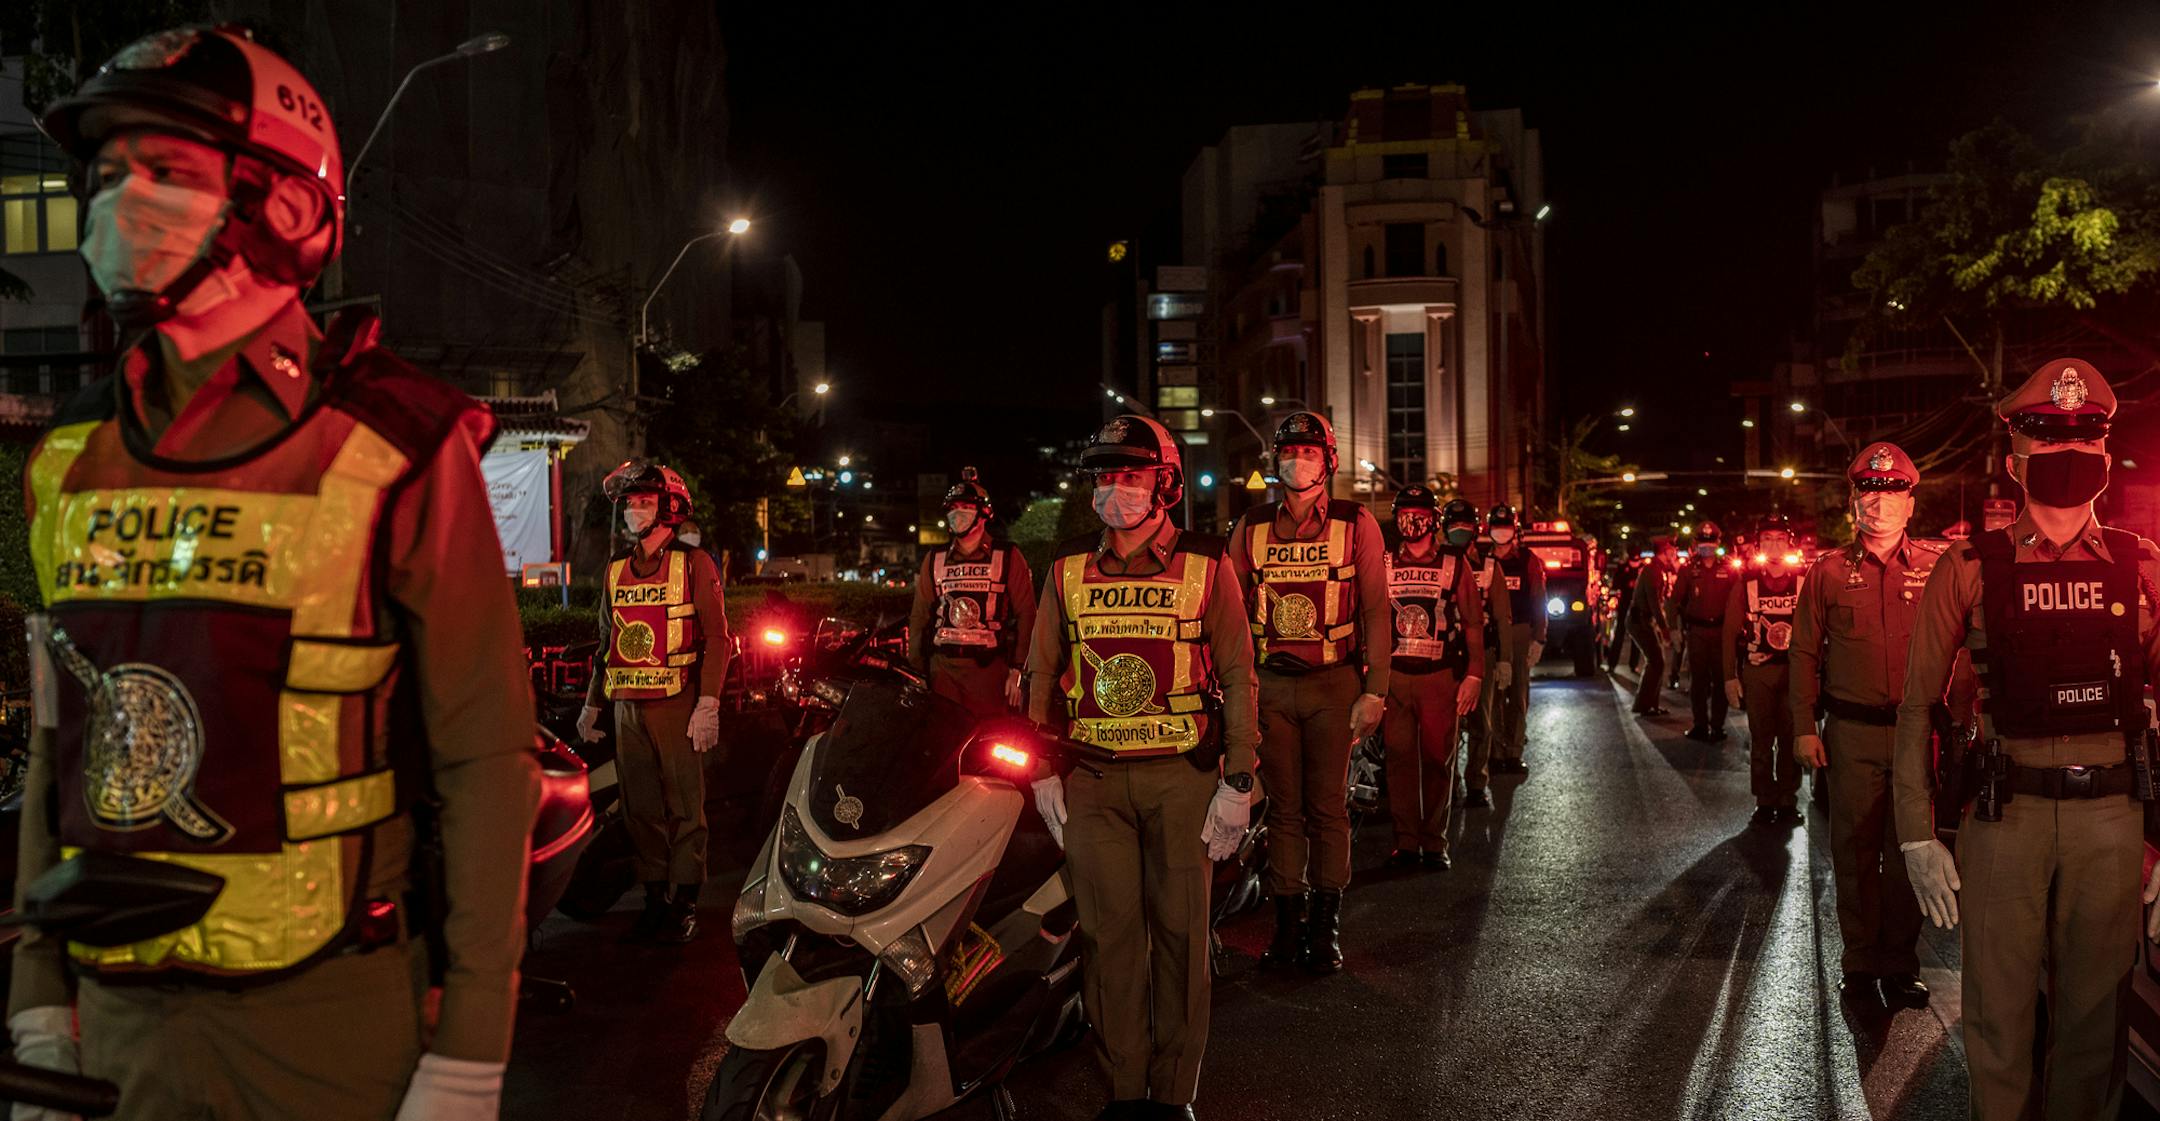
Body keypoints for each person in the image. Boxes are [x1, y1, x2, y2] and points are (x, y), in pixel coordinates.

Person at [12, 25, 540, 1121]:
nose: (120, 203)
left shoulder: (393, 442)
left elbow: (486, 757)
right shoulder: (71, 454)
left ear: (289, 208)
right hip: (115, 1024)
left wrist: (470, 1047)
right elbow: (63, 740)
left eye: (166, 171)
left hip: (328, 1024)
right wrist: (37, 1001)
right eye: (106, 174)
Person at [1896, 358, 2160, 1120]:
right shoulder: (1969, 567)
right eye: (2047, 437)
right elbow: (1918, 707)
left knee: (2094, 1032)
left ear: (2104, 454)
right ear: (2015, 458)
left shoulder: (2143, 567)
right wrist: (1916, 835)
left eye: (2083, 436)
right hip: (2003, 818)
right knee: (1997, 1023)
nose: (2066, 452)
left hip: (2111, 824)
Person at [1024, 413, 1258, 1121]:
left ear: (1166, 484)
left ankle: (1173, 1093)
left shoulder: (1206, 563)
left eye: (1131, 474)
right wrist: (1040, 766)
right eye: (1104, 475)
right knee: (1108, 940)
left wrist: (1239, 779)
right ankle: (1127, 1091)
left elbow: (1240, 674)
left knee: (1182, 938)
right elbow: (1042, 670)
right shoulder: (1067, 566)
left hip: (1181, 779)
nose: (1114, 489)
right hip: (1092, 782)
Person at [1789, 441, 1952, 1008]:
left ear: (1911, 504)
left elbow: (1961, 651)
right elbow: (1804, 653)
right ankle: (1858, 962)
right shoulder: (1828, 572)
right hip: (1852, 732)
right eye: (1868, 494)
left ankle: (1900, 963)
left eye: (1891, 494)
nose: (1879, 505)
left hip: (1917, 735)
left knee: (1911, 848)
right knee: (1854, 850)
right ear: (1853, 503)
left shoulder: (1938, 568)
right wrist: (1804, 725)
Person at [1228, 410, 1388, 974]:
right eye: (1290, 453)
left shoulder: (1356, 522)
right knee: (1283, 810)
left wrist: (1376, 690)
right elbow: (1228, 614)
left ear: (1329, 462)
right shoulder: (1250, 526)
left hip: (1333, 684)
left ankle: (1325, 928)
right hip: (1270, 685)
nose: (1298, 462)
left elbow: (1376, 610)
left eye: (1309, 453)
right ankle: (1287, 926)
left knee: (1327, 807)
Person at [577, 459, 731, 944]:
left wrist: (708, 702)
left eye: (643, 502)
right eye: (630, 503)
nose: (633, 511)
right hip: (627, 705)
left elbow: (718, 639)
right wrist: (592, 704)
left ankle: (684, 902)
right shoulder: (616, 569)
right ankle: (654, 900)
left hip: (676, 703)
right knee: (639, 809)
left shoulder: (694, 563)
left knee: (683, 806)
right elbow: (606, 643)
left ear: (669, 509)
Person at [1379, 485, 1485, 870]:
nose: (1412, 521)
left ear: (1434, 520)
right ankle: (1406, 842)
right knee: (1399, 761)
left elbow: (1473, 621)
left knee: (1439, 759)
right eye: (1405, 514)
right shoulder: (1383, 561)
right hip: (1395, 676)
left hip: (1440, 677)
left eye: (1420, 514)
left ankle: (1435, 842)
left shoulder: (1454, 563)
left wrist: (1475, 674)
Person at [907, 466, 1036, 718]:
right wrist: (916, 670)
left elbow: (1027, 614)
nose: (957, 514)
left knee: (989, 736)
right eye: (953, 508)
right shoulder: (935, 559)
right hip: (942, 671)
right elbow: (920, 616)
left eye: (965, 507)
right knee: (944, 735)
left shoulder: (1007, 556)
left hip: (990, 673)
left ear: (984, 513)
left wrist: (1018, 670)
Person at [1722, 516, 1804, 827]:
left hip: (1794, 673)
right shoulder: (1747, 583)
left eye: (1780, 539)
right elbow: (1730, 632)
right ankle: (1764, 799)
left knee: (1791, 737)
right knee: (1761, 738)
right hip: (1759, 673)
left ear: (1789, 544)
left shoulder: (1804, 581)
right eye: (1767, 539)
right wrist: (1730, 677)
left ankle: (1788, 799)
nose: (1774, 546)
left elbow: (1820, 630)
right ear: (1758, 546)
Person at [1469, 503, 1544, 778]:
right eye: (1496, 527)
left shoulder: (1527, 560)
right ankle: (1495, 753)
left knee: (1518, 693)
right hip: (1491, 632)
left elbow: (1539, 600)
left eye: (1506, 527)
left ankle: (1513, 752)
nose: (1501, 532)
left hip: (1519, 631)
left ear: (1515, 530)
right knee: (1492, 697)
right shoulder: (1482, 559)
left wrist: (1539, 638)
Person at [1453, 500, 1513, 806]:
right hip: (1446, 654)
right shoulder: (1438, 562)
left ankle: (1476, 783)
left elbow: (1502, 617)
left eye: (1464, 525)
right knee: (1448, 726)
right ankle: (1448, 785)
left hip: (1482, 651)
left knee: (1481, 723)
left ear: (1476, 530)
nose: (1459, 531)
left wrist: (1505, 659)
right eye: (1453, 525)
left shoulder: (1490, 566)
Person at [1670, 521, 1738, 742]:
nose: (1707, 547)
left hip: (1722, 632)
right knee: (1698, 681)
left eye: (1711, 542)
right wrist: (1673, 629)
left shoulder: (1729, 568)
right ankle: (1700, 724)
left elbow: (1740, 601)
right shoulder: (1688, 569)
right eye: (1702, 542)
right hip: (1697, 632)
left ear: (1718, 543)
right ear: (1696, 544)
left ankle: (1717, 726)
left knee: (1720, 680)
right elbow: (1674, 601)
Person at [1628, 538, 1678, 715]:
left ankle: (1651, 705)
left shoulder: (1658, 569)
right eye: (1672, 549)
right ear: (1665, 551)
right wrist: (1664, 628)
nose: (1675, 552)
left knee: (1658, 662)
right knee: (1656, 661)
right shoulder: (1653, 570)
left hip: (1645, 621)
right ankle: (1643, 705)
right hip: (1640, 621)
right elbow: (1654, 603)